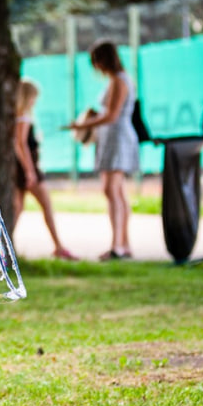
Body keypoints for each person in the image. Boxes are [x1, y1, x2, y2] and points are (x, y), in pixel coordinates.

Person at [68, 39, 139, 260]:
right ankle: (123, 244)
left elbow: (112, 115)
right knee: (115, 191)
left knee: (111, 190)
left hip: (118, 138)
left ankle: (117, 246)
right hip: (109, 139)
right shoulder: (115, 80)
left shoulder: (119, 81)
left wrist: (83, 125)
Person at [13, 79, 77, 261]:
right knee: (46, 206)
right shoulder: (23, 117)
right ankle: (58, 246)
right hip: (27, 168)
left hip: (21, 168)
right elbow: (20, 144)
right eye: (33, 97)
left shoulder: (17, 116)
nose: (35, 101)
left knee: (17, 207)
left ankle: (3, 244)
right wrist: (30, 171)